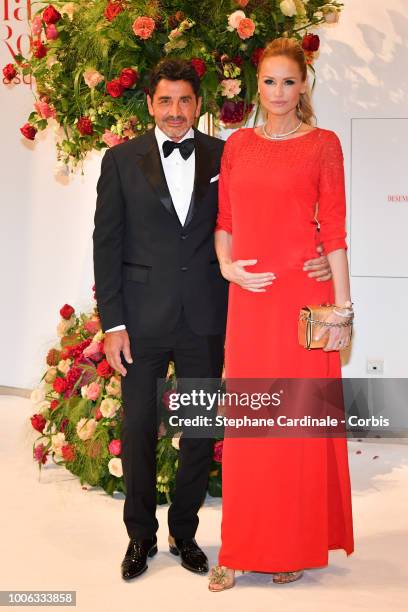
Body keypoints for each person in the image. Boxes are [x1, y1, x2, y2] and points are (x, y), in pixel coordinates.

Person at [93, 57, 333, 582]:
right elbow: (105, 245)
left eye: (185, 101)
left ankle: (184, 532)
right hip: (141, 323)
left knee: (199, 432)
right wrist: (113, 324)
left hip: (206, 318)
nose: (175, 111)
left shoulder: (232, 153)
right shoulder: (120, 161)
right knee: (137, 430)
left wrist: (317, 251)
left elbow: (274, 212)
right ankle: (140, 538)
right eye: (165, 101)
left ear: (199, 105)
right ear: (150, 105)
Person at [210, 38, 354, 591]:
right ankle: (240, 547)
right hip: (249, 300)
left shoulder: (324, 144)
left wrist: (341, 307)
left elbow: (335, 231)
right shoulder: (238, 146)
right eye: (268, 81)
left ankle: (291, 545)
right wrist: (227, 268)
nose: (278, 92)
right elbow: (224, 220)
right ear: (256, 85)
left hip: (300, 303)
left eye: (288, 82)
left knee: (293, 428)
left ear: (304, 86)